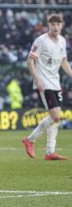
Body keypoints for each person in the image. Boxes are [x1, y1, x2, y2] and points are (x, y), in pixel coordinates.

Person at [23, 14, 71, 161]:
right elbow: (30, 61)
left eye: (58, 24)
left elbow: (64, 62)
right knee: (56, 116)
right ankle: (30, 140)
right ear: (48, 25)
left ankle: (50, 152)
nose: (55, 26)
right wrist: (37, 79)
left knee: (55, 118)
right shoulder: (41, 40)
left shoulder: (62, 41)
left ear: (62, 26)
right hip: (44, 83)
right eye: (53, 24)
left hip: (55, 83)